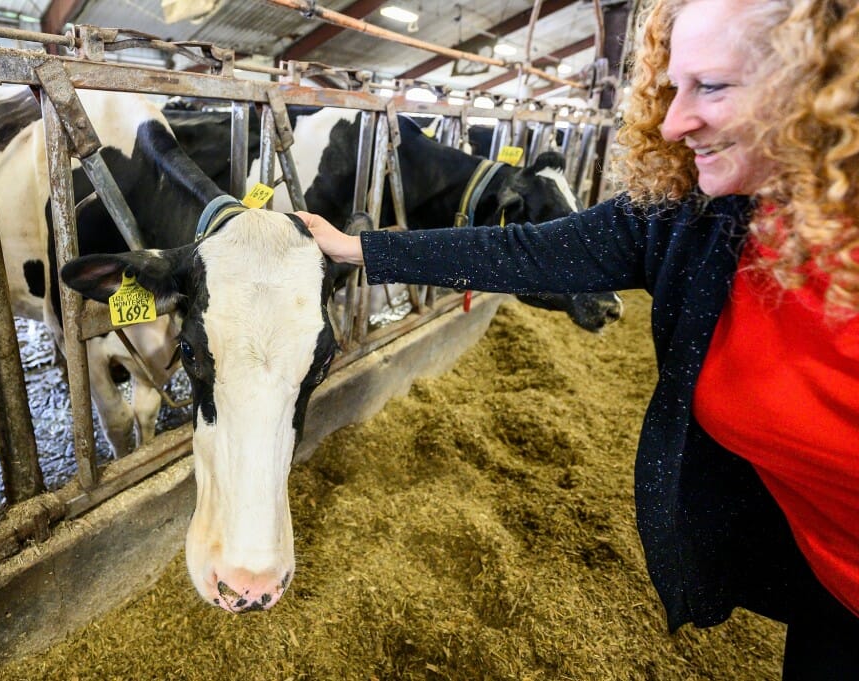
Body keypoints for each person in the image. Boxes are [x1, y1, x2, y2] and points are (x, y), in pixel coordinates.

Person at [295, 0, 859, 677]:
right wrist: (360, 249)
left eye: (711, 86)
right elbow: (532, 251)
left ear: (824, 85)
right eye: (672, 86)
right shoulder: (696, 218)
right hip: (832, 595)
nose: (674, 122)